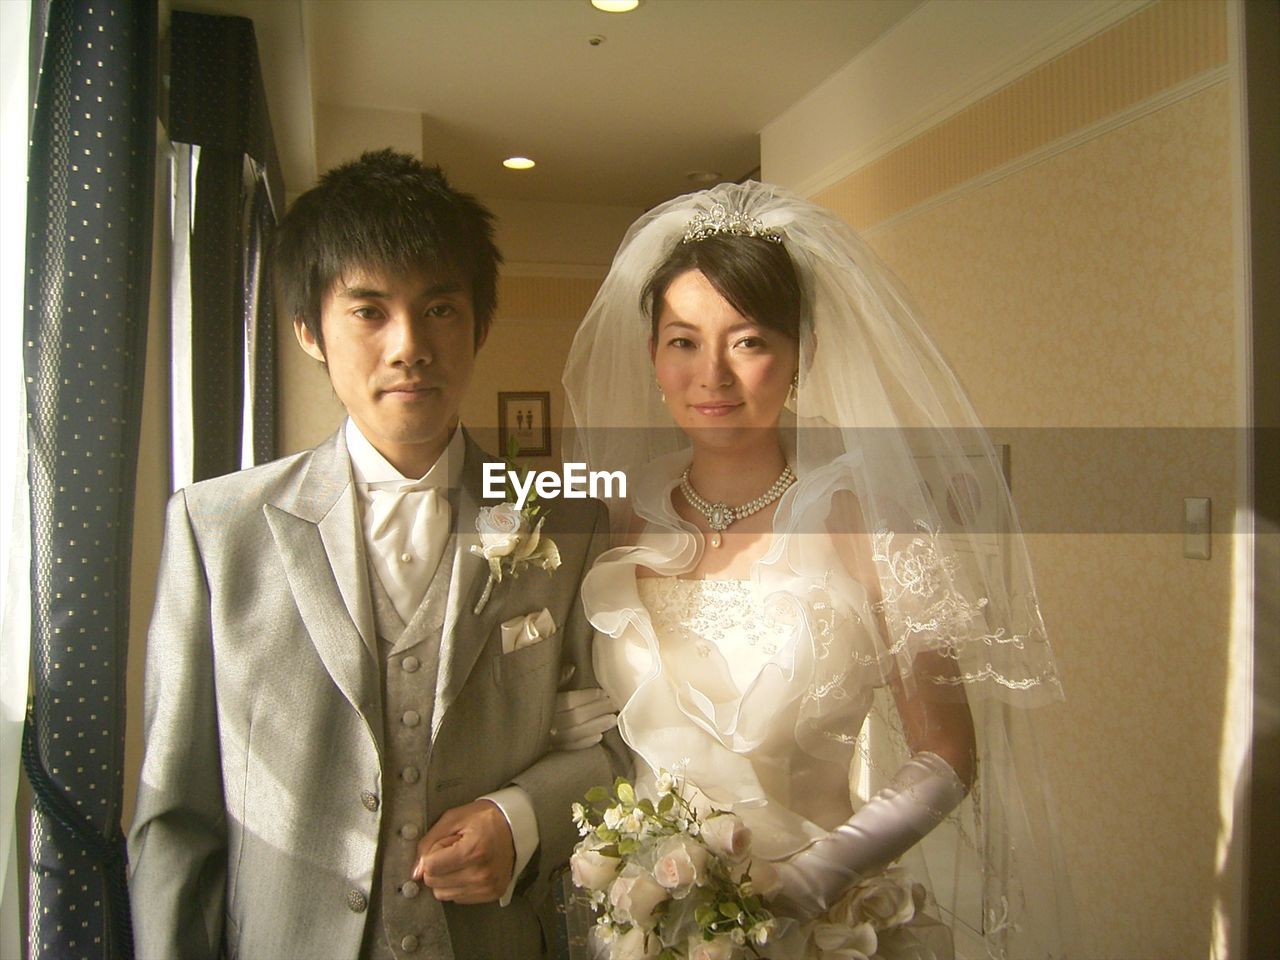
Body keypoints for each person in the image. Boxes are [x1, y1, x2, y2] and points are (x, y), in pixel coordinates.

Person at [128, 149, 625, 960]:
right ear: (308, 331)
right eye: (368, 311)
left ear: (480, 324)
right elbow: (175, 818)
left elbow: (618, 747)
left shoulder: (569, 528)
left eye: (439, 309)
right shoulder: (217, 530)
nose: (408, 346)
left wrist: (523, 814)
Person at [562, 182, 1077, 959]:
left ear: (798, 354)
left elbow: (946, 756)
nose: (713, 376)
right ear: (653, 357)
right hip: (648, 924)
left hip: (824, 922)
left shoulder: (865, 515)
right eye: (683, 341)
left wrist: (806, 882)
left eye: (749, 341)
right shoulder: (615, 514)